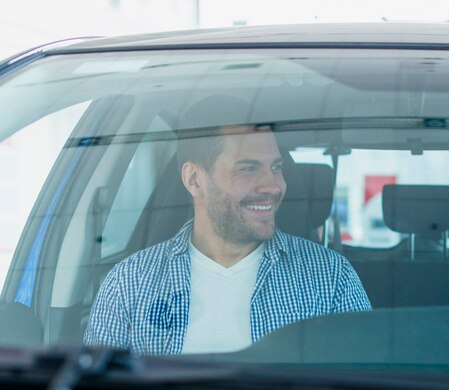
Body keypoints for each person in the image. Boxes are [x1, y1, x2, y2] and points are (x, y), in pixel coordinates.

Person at [84, 97, 371, 354]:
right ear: (195, 180)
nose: (273, 186)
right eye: (248, 168)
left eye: (276, 167)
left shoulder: (330, 279)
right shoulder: (129, 284)